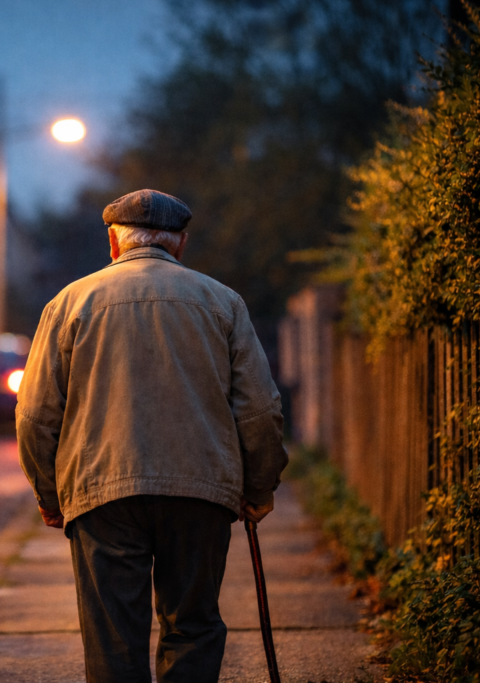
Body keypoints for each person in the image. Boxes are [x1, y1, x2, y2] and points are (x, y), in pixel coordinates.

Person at [15, 188, 288, 683]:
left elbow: (35, 414)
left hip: (102, 494)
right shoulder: (223, 303)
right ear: (180, 244)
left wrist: (50, 495)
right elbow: (260, 410)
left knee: (114, 635)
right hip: (200, 490)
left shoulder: (69, 303)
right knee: (193, 625)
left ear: (114, 245)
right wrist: (259, 487)